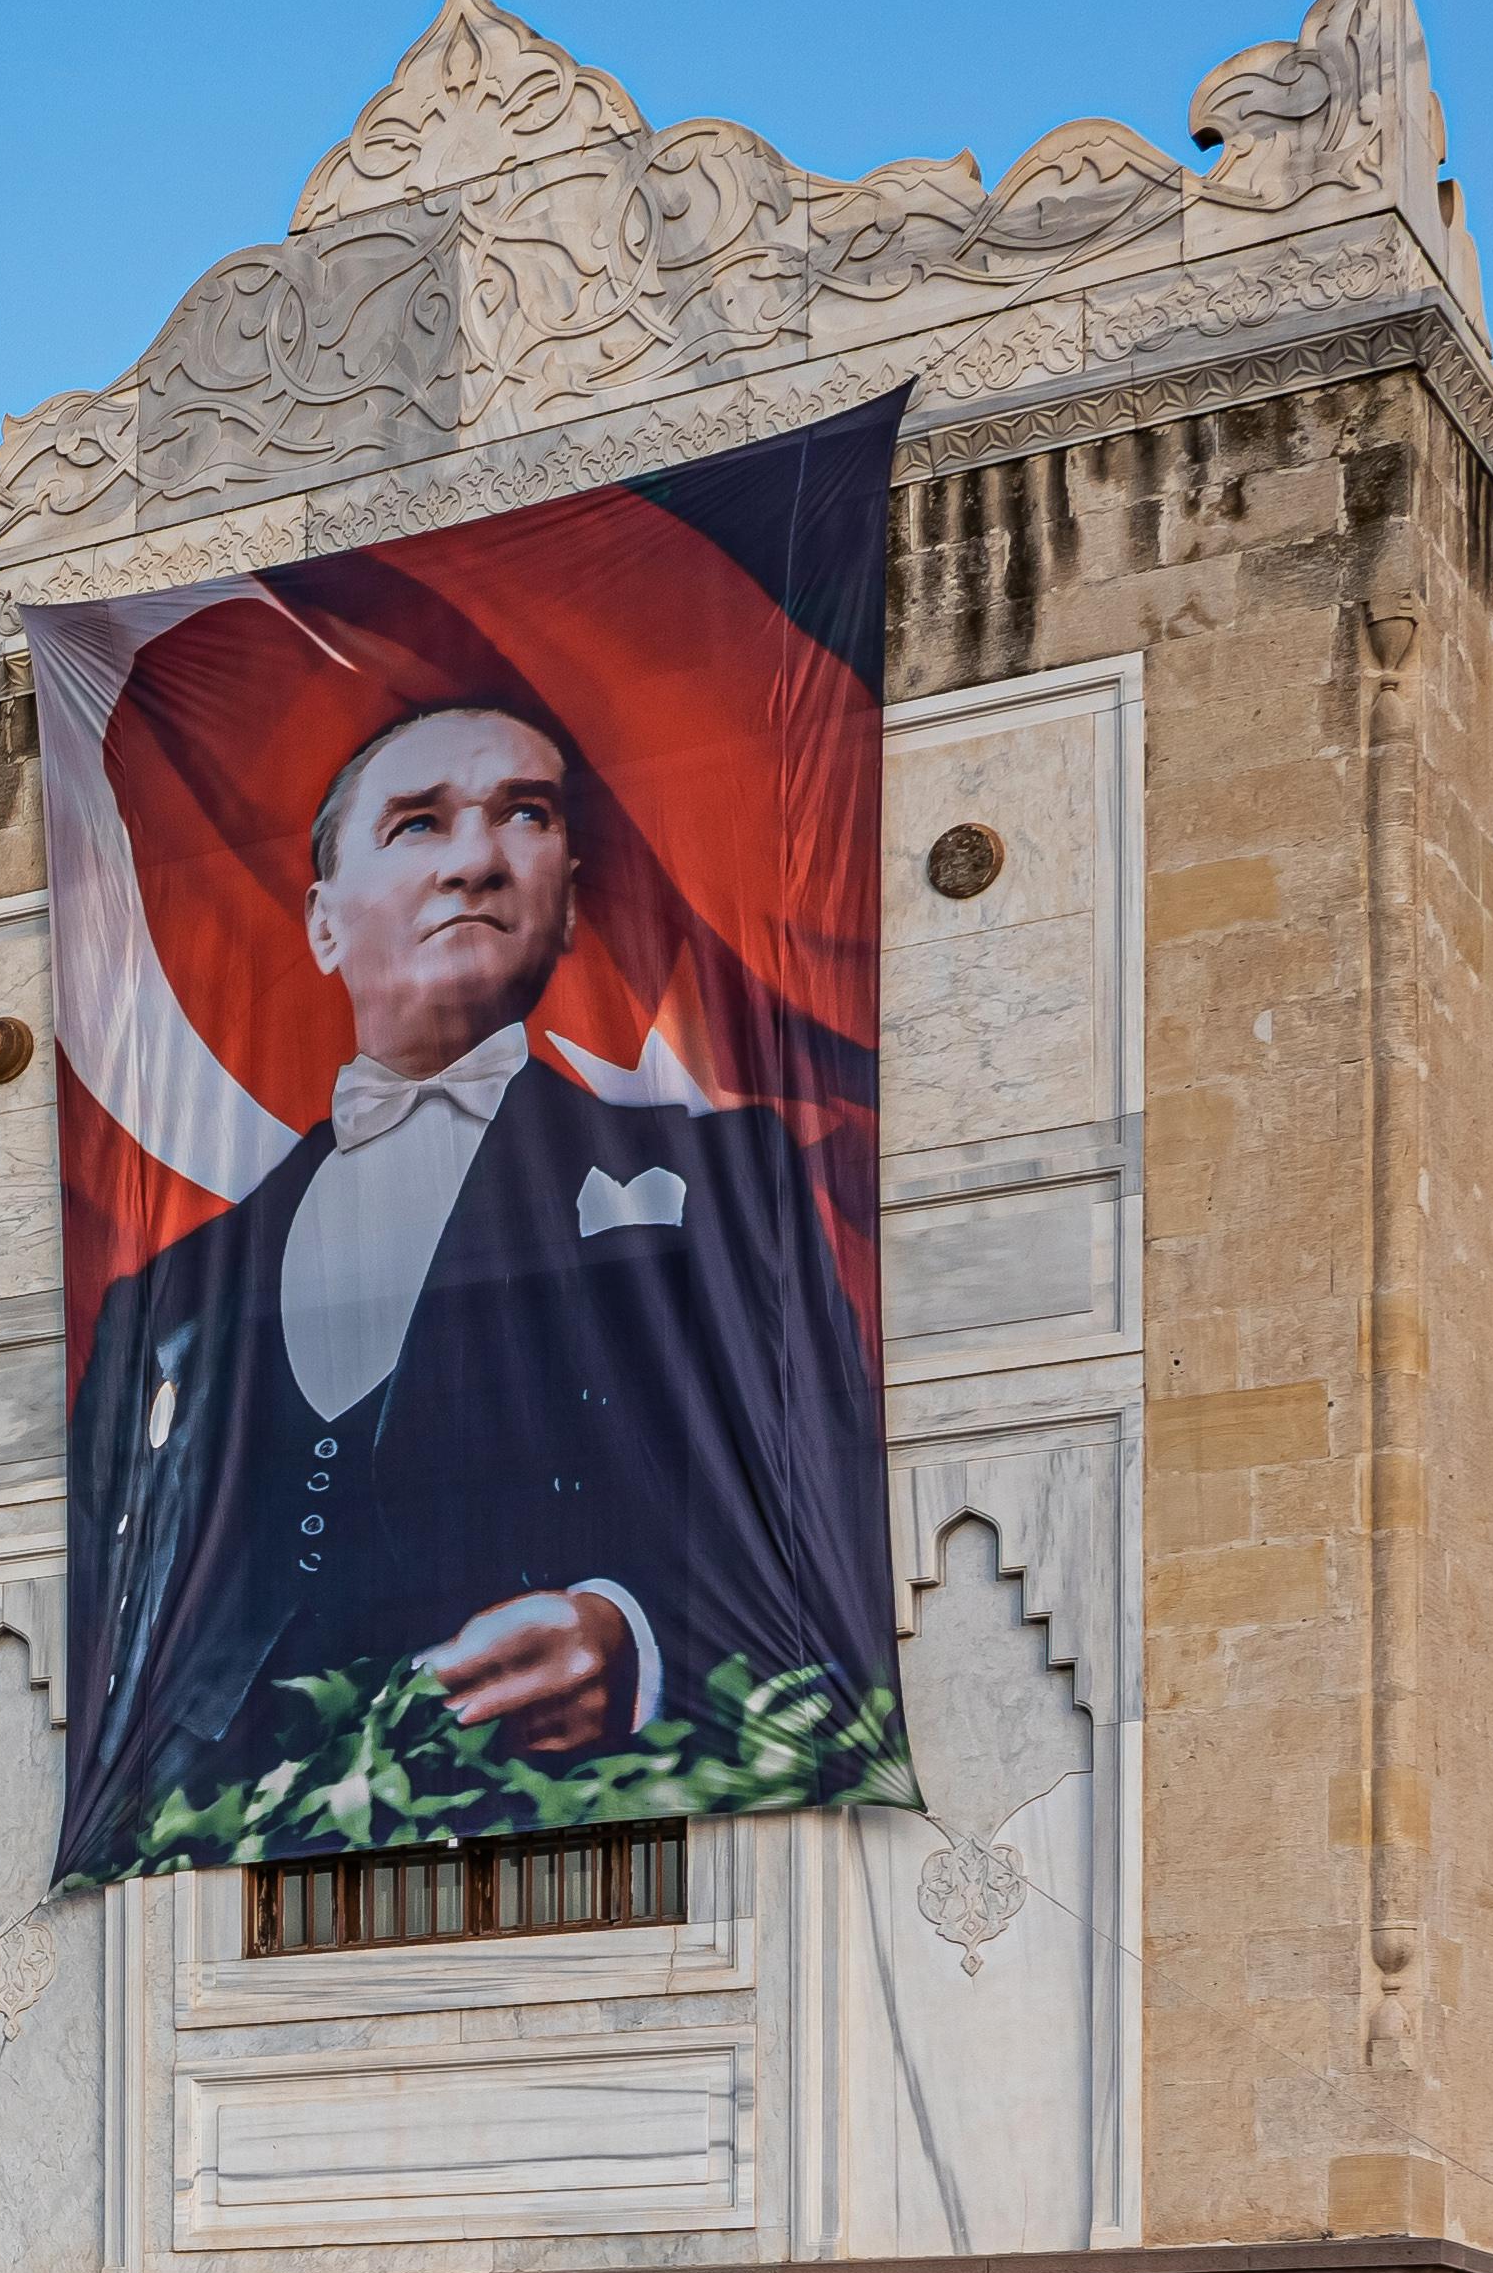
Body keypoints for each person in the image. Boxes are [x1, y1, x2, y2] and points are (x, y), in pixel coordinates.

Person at [63, 697, 891, 1839]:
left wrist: (634, 1638)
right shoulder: (164, 1300)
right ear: (319, 925)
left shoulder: (720, 1187)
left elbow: (825, 1515)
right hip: (220, 1862)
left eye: (524, 815)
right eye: (417, 824)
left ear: (564, 902)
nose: (474, 861)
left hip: (595, 1834)